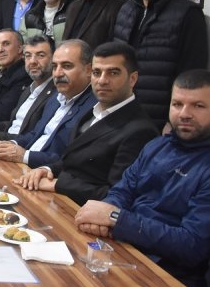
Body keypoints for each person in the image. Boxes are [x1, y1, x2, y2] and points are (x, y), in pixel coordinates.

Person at [74, 69, 210, 287]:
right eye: (177, 104)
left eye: (198, 106)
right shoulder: (156, 146)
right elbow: (122, 191)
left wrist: (115, 218)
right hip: (122, 250)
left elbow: (192, 246)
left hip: (169, 281)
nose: (184, 114)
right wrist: (104, 215)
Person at [16, 42, 158, 205]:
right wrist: (47, 169)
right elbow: (71, 160)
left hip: (80, 210)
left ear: (132, 79)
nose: (102, 80)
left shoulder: (140, 130)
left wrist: (58, 184)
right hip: (56, 199)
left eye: (113, 73)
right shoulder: (93, 111)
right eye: (97, 73)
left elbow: (116, 194)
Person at [114, 0, 209, 128]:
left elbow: (192, 70)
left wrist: (173, 120)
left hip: (158, 114)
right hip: (121, 107)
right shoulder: (126, 9)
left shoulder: (188, 13)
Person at [0, 39, 97, 169]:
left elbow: (69, 159)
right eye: (55, 66)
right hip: (23, 165)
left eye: (67, 66)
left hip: (43, 173)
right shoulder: (56, 97)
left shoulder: (94, 109)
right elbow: (35, 134)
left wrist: (25, 156)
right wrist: (11, 144)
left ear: (88, 70)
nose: (57, 74)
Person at [0, 34, 56, 141]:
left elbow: (37, 138)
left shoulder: (56, 95)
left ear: (54, 59)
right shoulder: (28, 89)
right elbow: (14, 125)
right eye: (28, 55)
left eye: (40, 55)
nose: (32, 61)